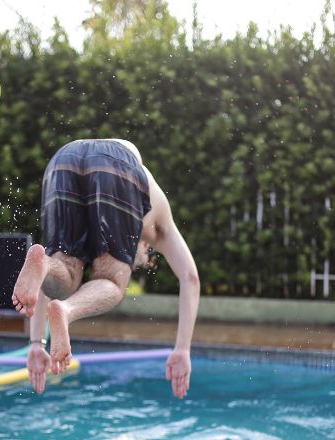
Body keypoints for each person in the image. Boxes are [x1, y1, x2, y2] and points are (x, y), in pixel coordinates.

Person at [11, 138, 199, 398]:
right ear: (143, 246)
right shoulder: (157, 225)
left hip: (64, 158)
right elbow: (190, 277)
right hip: (117, 163)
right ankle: (67, 311)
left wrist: (36, 344)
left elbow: (44, 289)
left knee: (62, 268)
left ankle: (44, 264)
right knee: (112, 282)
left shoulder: (107, 218)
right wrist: (182, 349)